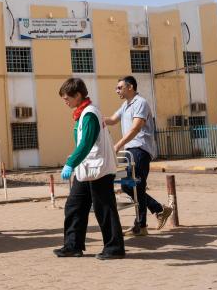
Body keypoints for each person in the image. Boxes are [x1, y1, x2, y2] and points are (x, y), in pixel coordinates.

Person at [54, 78, 125, 260]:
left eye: (67, 98)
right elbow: (82, 143)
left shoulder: (90, 114)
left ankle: (114, 248)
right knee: (74, 206)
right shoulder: (82, 113)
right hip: (87, 169)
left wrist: (71, 163)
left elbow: (86, 142)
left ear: (78, 95)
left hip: (98, 169)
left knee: (104, 208)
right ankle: (73, 245)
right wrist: (75, 159)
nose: (65, 101)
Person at [104, 76, 173, 236]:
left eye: (119, 87)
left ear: (130, 87)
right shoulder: (125, 105)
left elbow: (135, 129)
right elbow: (113, 120)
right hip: (130, 151)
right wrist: (94, 117)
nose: (117, 90)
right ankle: (153, 215)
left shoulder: (140, 103)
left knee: (135, 186)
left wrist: (118, 145)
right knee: (128, 186)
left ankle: (143, 224)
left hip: (139, 150)